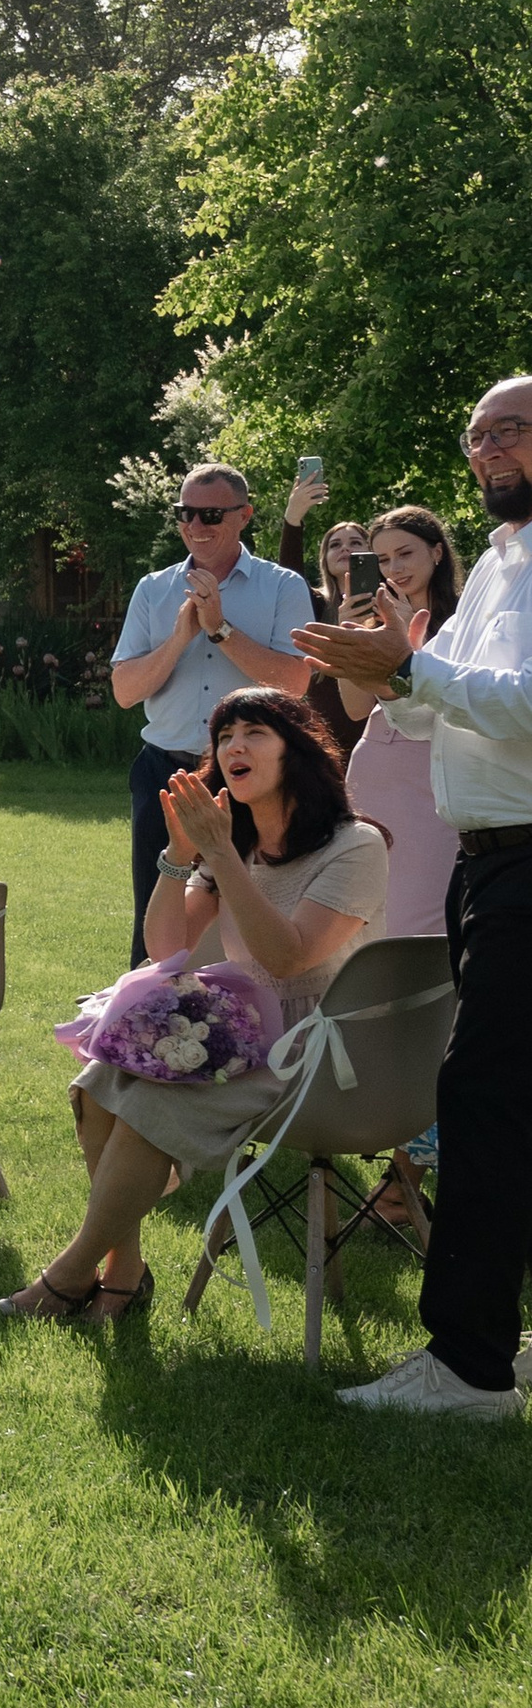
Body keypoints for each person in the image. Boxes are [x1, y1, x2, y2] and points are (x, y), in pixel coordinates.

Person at [0, 689, 386, 1323]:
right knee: (98, 1082)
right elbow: (166, 948)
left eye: (254, 732)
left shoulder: (356, 845)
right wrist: (181, 854)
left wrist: (224, 855)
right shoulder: (236, 847)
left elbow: (289, 958)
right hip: (245, 1036)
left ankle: (66, 1277)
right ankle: (123, 1272)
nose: (234, 745)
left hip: (321, 1054)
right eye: (224, 735)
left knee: (150, 1100)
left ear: (299, 752)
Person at [298, 378, 532, 1418]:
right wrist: (398, 674)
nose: (487, 448)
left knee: (482, 1100)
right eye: (476, 431)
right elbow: (458, 715)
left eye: (509, 429)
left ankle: (469, 1364)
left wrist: (417, 672)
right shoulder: (497, 561)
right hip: (488, 860)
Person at [110, 466, 316, 966]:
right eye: (186, 513)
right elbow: (124, 691)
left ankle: (243, 1020)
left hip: (254, 778)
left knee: (254, 910)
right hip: (168, 773)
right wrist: (181, 635)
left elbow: (295, 684)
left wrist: (219, 627)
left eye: (211, 514)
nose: (195, 525)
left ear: (244, 516)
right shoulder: (154, 589)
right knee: (158, 917)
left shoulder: (283, 586)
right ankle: (145, 1028)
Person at [340, 509, 465, 937]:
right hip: (374, 769)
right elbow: (355, 708)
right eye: (383, 559)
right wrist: (352, 637)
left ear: (436, 551)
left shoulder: (466, 623)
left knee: (423, 911)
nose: (394, 568)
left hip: (436, 774)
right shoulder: (374, 622)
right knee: (366, 906)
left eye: (404, 554)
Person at [276, 490, 367, 757]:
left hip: (380, 732)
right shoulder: (314, 604)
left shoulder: (390, 602)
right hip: (328, 735)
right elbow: (290, 574)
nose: (345, 548)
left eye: (355, 542)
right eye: (335, 545)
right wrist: (293, 519)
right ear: (325, 559)